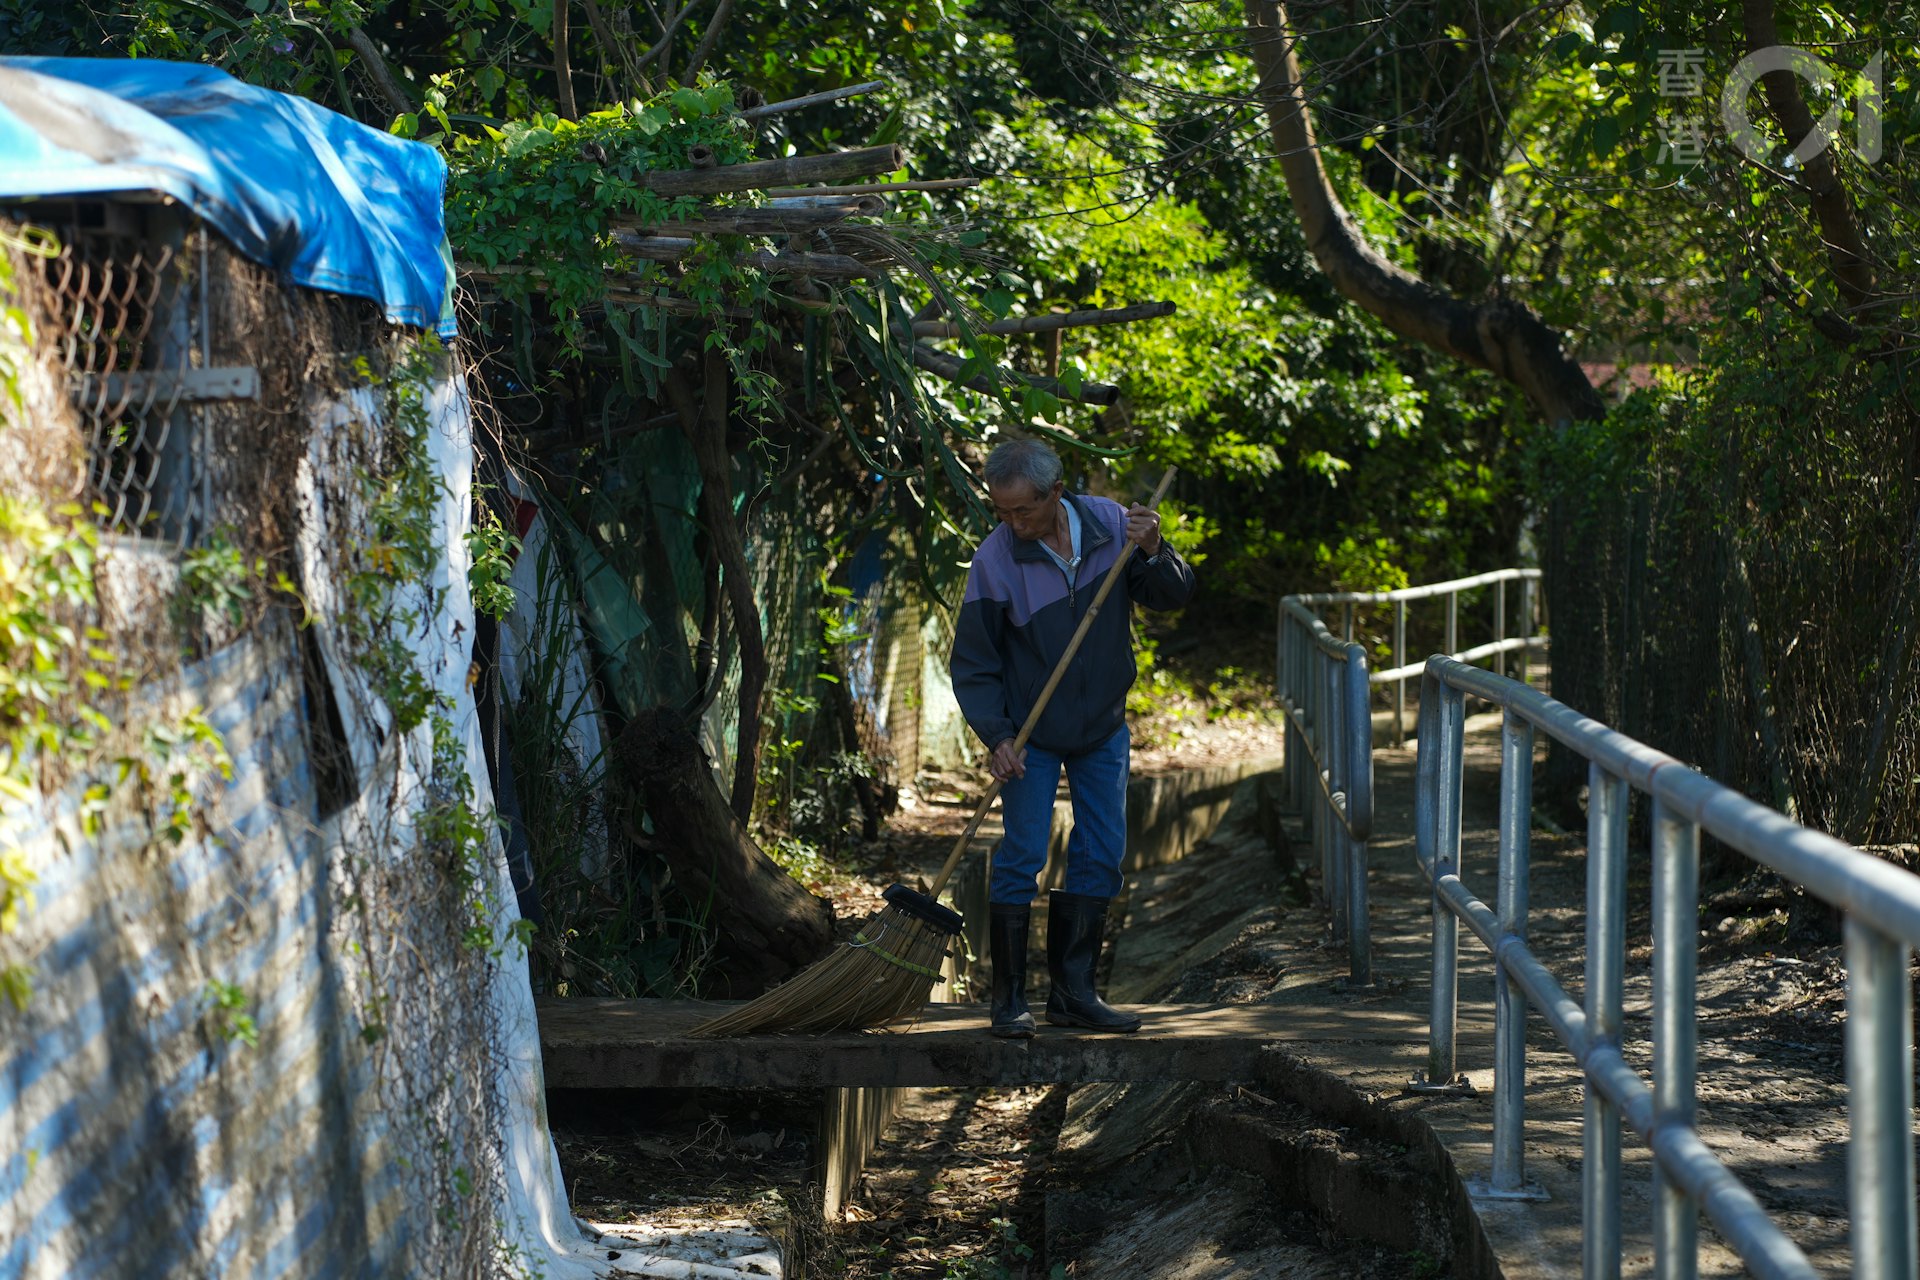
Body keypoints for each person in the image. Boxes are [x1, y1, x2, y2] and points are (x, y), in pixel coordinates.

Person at [949, 438, 1196, 1037]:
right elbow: (974, 664)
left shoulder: (1113, 524)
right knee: (1024, 854)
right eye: (1000, 511)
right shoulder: (994, 560)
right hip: (1031, 737)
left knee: (1102, 852)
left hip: (1102, 726)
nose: (1011, 523)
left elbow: (1172, 596)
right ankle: (1008, 1000)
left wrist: (1156, 550)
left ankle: (1074, 994)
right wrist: (998, 736)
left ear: (1055, 493)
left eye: (1022, 511)